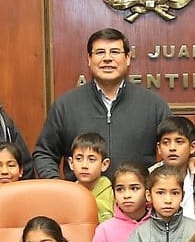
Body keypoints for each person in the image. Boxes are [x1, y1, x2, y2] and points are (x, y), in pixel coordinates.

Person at [34, 29, 178, 178]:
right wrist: (60, 188)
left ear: (128, 58)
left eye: (115, 52)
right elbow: (44, 154)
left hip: (137, 199)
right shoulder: (65, 106)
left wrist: (193, 159)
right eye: (100, 52)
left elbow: (177, 147)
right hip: (83, 199)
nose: (107, 58)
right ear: (89, 59)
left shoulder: (153, 105)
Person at [153, 115, 195, 224]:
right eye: (166, 142)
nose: (172, 148)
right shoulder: (148, 178)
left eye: (179, 142)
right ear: (159, 148)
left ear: (192, 147)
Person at [66, 132, 117, 222]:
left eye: (91, 159)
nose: (84, 165)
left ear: (104, 164)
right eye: (78, 159)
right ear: (71, 163)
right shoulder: (68, 192)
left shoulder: (113, 192)